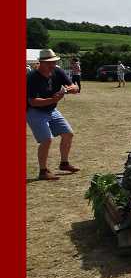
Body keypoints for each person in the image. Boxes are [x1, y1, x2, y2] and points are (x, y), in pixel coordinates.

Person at [26, 49, 80, 180]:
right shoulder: (31, 77)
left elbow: (75, 87)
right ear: (41, 63)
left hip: (51, 109)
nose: (53, 65)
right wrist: (53, 99)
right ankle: (43, 171)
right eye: (49, 63)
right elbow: (33, 102)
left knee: (68, 134)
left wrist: (68, 89)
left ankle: (64, 163)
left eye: (54, 62)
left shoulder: (58, 71)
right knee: (46, 139)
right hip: (34, 111)